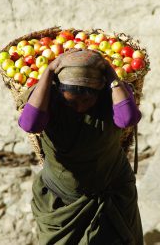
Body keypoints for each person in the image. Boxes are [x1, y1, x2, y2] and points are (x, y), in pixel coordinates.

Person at [18, 48, 143, 244]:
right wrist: (49, 71)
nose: (80, 107)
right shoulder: (49, 99)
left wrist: (109, 72)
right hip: (61, 203)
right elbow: (29, 124)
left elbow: (128, 118)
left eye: (87, 100)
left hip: (111, 197)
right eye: (72, 101)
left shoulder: (111, 96)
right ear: (59, 90)